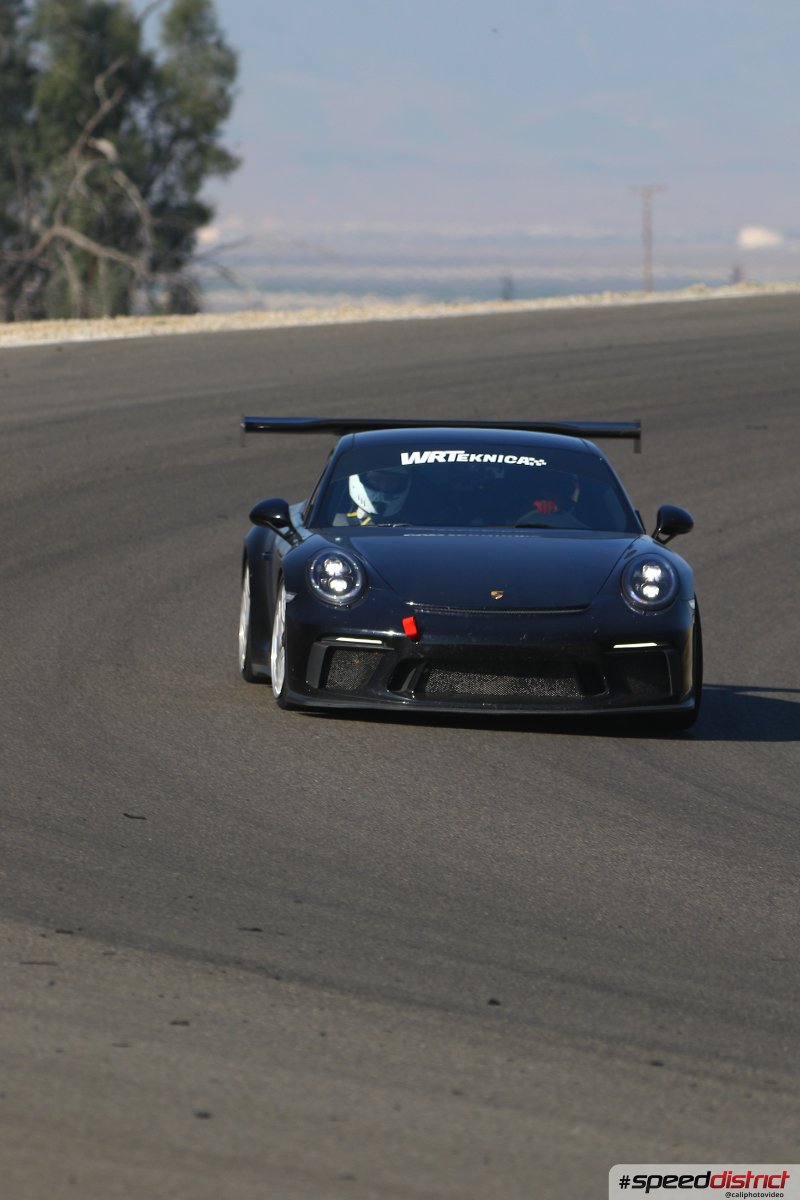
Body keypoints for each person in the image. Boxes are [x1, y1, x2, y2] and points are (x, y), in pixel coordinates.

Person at [346, 468, 411, 525]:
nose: (384, 486)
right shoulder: (340, 524)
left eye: (392, 481)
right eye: (376, 479)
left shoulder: (413, 530)